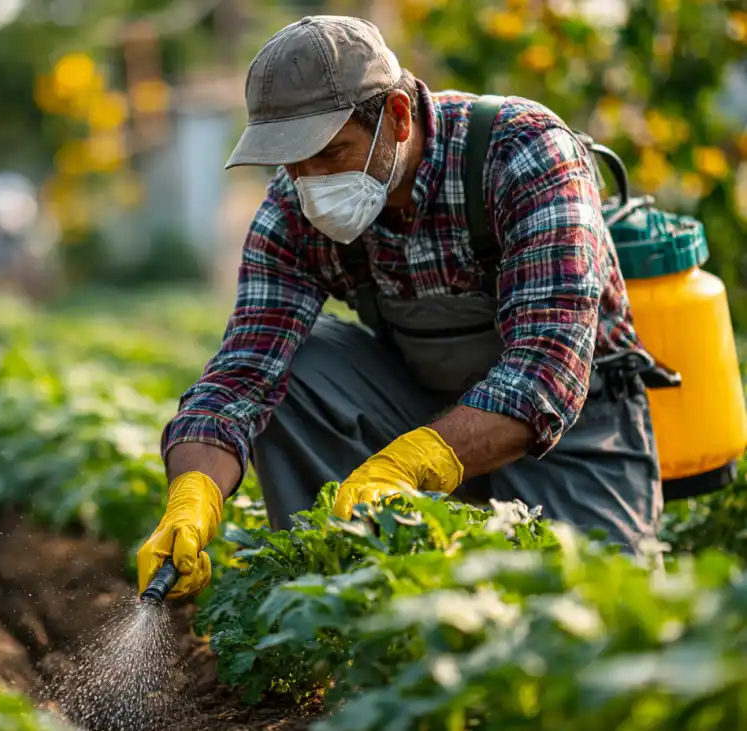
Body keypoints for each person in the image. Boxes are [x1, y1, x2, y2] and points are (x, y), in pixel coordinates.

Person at [136, 15, 664, 599]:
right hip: (421, 405)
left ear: (398, 115)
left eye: (330, 153)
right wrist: (193, 494)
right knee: (293, 370)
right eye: (291, 162)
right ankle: (346, 601)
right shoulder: (294, 212)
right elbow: (243, 375)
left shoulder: (523, 152)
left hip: (574, 434)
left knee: (595, 615)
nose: (309, 182)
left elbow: (548, 370)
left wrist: (408, 465)